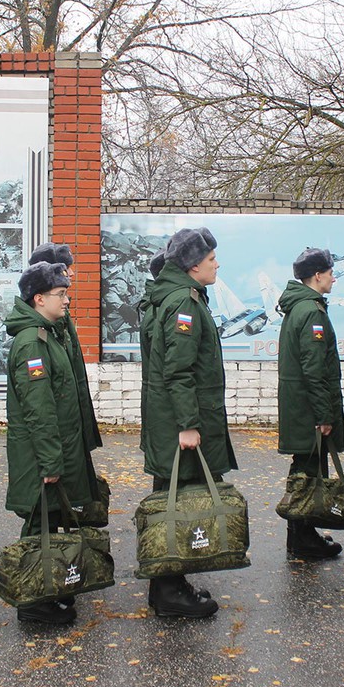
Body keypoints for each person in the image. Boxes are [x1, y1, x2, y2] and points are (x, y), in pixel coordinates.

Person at [139, 227, 234, 618]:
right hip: (181, 424)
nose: (217, 264)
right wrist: (189, 424)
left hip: (174, 421)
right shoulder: (183, 304)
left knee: (172, 498)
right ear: (194, 265)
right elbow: (178, 371)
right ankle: (169, 591)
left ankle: (168, 584)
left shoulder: (180, 296)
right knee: (177, 500)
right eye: (212, 259)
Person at [4, 262, 97, 626]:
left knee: (48, 519)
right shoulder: (32, 342)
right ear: (39, 298)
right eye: (61, 295)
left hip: (53, 449)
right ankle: (32, 602)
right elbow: (38, 408)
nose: (67, 300)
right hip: (40, 454)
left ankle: (46, 589)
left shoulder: (47, 333)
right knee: (37, 522)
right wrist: (50, 461)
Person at [277, 247, 344, 560]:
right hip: (309, 410)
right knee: (308, 471)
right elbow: (314, 367)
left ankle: (301, 535)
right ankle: (302, 538)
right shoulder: (311, 312)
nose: (334, 276)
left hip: (301, 407)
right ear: (317, 275)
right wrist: (324, 414)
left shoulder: (302, 307)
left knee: (307, 471)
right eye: (330, 271)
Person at [28, 243, 104, 516]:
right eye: (66, 268)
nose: (71, 273)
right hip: (60, 419)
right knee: (51, 501)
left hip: (72, 410)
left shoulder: (60, 312)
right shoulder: (46, 321)